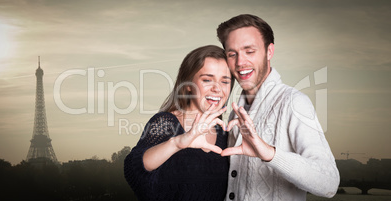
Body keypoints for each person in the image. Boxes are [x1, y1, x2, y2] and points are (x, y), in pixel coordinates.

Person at [216, 14, 340, 200]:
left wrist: (269, 154)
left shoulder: (293, 102)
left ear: (269, 51)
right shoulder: (235, 112)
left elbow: (329, 183)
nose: (240, 62)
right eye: (232, 54)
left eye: (249, 51)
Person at [124, 45, 234, 201]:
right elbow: (134, 169)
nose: (217, 88)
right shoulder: (166, 122)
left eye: (225, 81)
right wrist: (177, 143)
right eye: (207, 80)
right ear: (188, 85)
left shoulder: (225, 134)